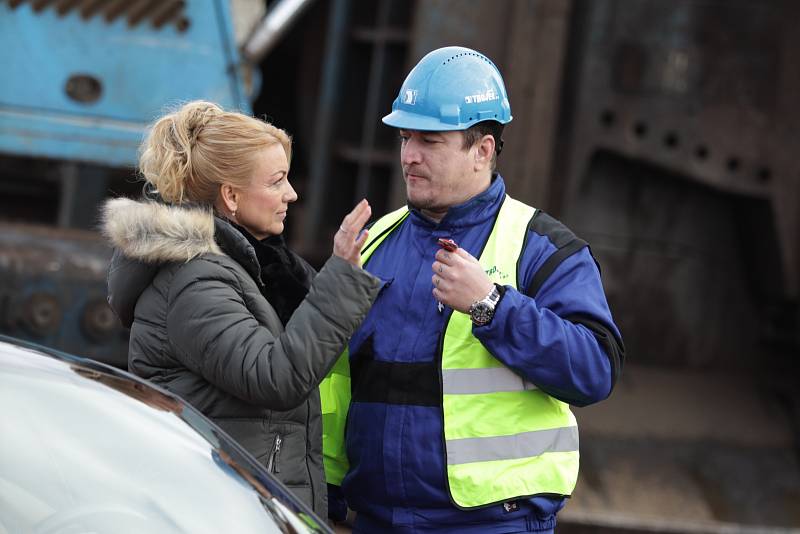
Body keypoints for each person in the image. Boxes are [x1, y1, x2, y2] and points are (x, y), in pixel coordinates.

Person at [322, 46, 625, 533]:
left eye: (430, 140)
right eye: (404, 138)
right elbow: (334, 382)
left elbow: (596, 370)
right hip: (377, 520)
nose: (409, 156)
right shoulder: (372, 243)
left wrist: (491, 306)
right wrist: (327, 493)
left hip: (493, 523)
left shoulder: (540, 248)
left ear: (483, 150)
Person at [101, 100, 381, 519]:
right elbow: (276, 377)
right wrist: (340, 277)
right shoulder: (194, 282)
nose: (292, 194)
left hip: (242, 505)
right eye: (277, 181)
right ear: (230, 196)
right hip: (215, 511)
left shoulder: (254, 271)